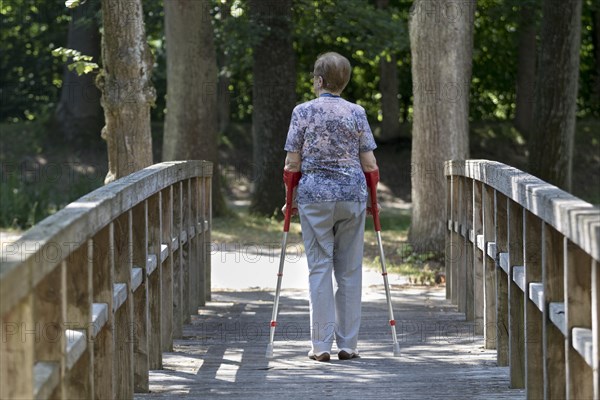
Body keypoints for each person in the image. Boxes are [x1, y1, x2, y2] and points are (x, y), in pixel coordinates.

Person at [283, 52, 378, 362]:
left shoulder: (302, 112)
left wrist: (289, 199)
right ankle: (348, 345)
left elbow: (292, 163)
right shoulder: (357, 113)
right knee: (349, 271)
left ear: (319, 81)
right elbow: (369, 163)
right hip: (352, 196)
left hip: (315, 198)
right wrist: (374, 201)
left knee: (320, 269)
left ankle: (321, 345)